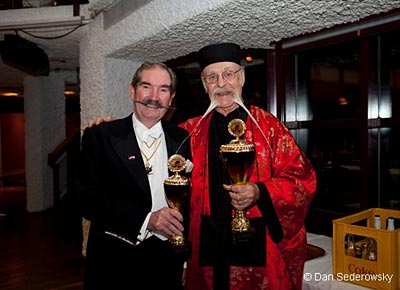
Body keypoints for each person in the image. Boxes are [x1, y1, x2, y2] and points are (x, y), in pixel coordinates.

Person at [87, 43, 317, 290]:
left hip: (256, 243)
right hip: (203, 245)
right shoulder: (187, 132)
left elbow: (302, 179)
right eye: (212, 77)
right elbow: (144, 152)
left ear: (242, 77)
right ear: (204, 84)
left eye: (229, 74)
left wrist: (260, 191)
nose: (221, 83)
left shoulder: (269, 128)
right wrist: (106, 130)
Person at [77, 61, 192, 290]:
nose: (153, 96)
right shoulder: (101, 135)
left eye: (163, 89)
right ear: (132, 91)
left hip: (167, 257)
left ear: (171, 98)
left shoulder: (183, 138)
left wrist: (184, 260)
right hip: (115, 258)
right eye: (146, 86)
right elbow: (86, 199)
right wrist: (146, 219)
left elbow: (187, 202)